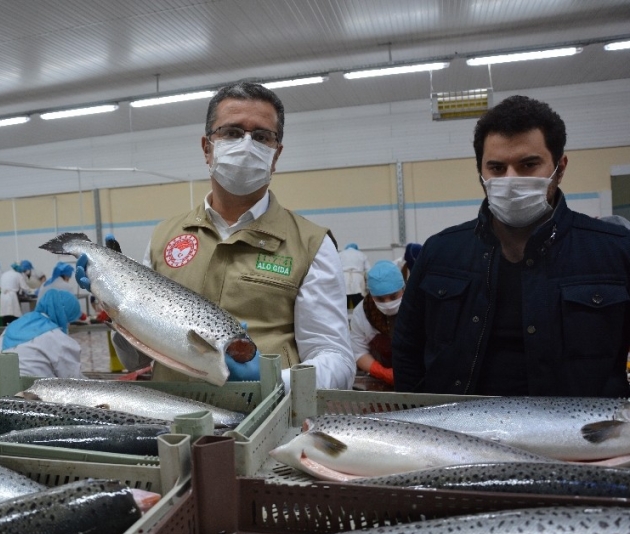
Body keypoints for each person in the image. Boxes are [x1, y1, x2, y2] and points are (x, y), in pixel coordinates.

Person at [78, 82, 355, 390]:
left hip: (263, 424)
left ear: (275, 156)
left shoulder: (310, 244)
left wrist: (274, 381)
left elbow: (337, 359)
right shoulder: (164, 237)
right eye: (232, 133)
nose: (247, 146)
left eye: (262, 137)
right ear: (207, 148)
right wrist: (111, 298)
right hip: (173, 425)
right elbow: (136, 360)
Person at [393, 95, 630, 397]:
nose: (511, 179)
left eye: (528, 164)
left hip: (581, 438)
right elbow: (407, 349)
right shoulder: (440, 254)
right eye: (497, 168)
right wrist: (423, 422)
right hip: (459, 436)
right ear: (481, 172)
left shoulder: (615, 251)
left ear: (560, 167)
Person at [0, 289, 83, 377]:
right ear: (65, 317)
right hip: (25, 390)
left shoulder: (15, 324)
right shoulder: (57, 337)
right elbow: (73, 380)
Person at [350, 261, 404, 386]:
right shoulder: (362, 312)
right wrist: (383, 373)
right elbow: (358, 352)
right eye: (380, 299)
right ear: (371, 294)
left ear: (403, 288)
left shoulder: (416, 306)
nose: (387, 303)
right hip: (379, 380)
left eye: (393, 296)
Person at [338, 243, 370, 310]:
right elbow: (368, 270)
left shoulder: (340, 254)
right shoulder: (362, 255)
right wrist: (368, 285)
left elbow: (335, 268)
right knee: (358, 303)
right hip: (358, 278)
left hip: (344, 278)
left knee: (344, 304)